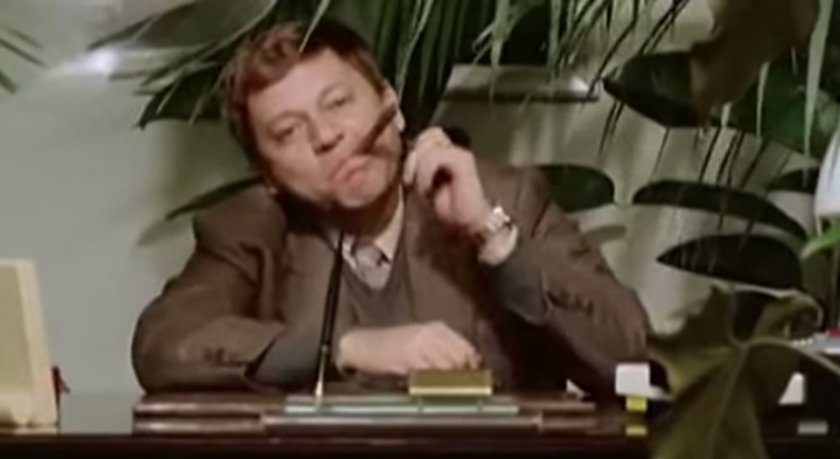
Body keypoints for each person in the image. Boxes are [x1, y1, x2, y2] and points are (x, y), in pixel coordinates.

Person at [131, 19, 649, 397]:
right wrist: (350, 347)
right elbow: (164, 344)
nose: (326, 136)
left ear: (392, 107)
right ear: (269, 176)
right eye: (288, 132)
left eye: (338, 103)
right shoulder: (254, 227)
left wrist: (490, 235)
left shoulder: (502, 198)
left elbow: (635, 361)